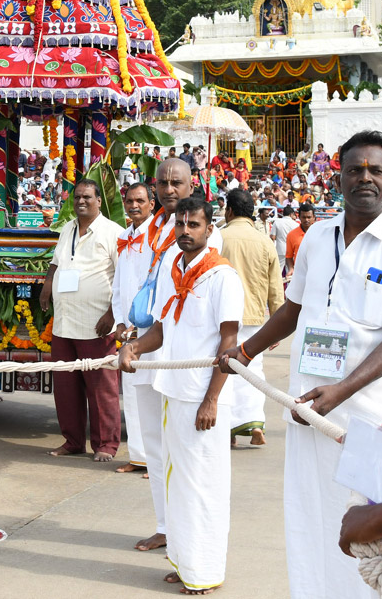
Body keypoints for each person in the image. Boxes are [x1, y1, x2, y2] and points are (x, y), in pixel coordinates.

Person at [222, 131, 382, 599]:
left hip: (368, 421)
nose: (365, 178)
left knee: (365, 534)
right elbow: (293, 310)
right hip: (308, 411)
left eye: (376, 170)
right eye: (355, 169)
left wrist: (342, 391)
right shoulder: (316, 236)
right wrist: (244, 352)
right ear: (338, 176)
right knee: (310, 520)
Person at [121, 197, 243, 594]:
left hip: (203, 400)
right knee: (178, 482)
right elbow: (163, 327)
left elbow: (229, 343)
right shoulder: (173, 268)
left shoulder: (222, 276)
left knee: (203, 486)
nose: (185, 231)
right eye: (181, 224)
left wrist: (211, 400)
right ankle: (185, 560)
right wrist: (136, 347)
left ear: (210, 229)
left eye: (194, 225)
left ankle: (204, 573)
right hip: (172, 391)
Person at [122, 158, 223, 553]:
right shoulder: (145, 228)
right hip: (145, 345)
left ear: (191, 183)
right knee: (152, 443)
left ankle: (188, 536)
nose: (168, 189)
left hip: (185, 357)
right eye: (162, 182)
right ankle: (165, 526)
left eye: (176, 182)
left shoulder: (202, 234)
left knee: (184, 452)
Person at [40, 179, 122, 462]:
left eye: (87, 197)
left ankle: (106, 445)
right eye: (77, 197)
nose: (81, 202)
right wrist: (47, 285)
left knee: (101, 387)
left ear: (99, 200)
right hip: (64, 322)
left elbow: (124, 276)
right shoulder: (67, 228)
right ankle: (73, 441)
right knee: (66, 386)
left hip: (96, 323)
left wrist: (112, 313)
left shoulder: (113, 232)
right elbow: (56, 262)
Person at [219, 188, 284, 446]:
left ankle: (230, 429)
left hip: (224, 317)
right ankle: (255, 424)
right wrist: (278, 324)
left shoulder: (218, 237)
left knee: (224, 369)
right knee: (253, 370)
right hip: (255, 316)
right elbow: (275, 288)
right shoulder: (265, 241)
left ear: (230, 210)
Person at [110, 181, 154, 473]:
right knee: (133, 391)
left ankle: (156, 457)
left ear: (151, 204)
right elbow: (119, 285)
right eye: (129, 201)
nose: (134, 206)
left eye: (140, 200)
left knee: (151, 392)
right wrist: (119, 321)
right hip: (128, 329)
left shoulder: (160, 236)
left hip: (151, 331)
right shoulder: (124, 236)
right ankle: (138, 456)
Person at [285, 201, 316, 271]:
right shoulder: (291, 235)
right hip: (299, 273)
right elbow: (289, 256)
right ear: (299, 217)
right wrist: (291, 269)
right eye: (304, 217)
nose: (306, 220)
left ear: (313, 217)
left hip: (317, 272)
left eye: (309, 217)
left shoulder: (321, 233)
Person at [271, 205, 298, 272]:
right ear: (291, 214)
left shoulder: (277, 222)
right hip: (291, 250)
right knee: (290, 270)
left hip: (280, 249)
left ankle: (277, 282)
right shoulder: (295, 224)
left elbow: (272, 237)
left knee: (278, 270)